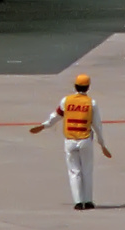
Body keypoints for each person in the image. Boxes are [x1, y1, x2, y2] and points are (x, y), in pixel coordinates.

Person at [30, 73, 111, 210]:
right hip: (85, 140)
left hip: (70, 140)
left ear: (75, 86)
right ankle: (88, 201)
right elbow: (97, 125)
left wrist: (44, 125)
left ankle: (78, 202)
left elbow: (55, 116)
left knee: (74, 171)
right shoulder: (91, 103)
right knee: (87, 170)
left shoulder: (66, 101)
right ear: (88, 87)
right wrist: (101, 143)